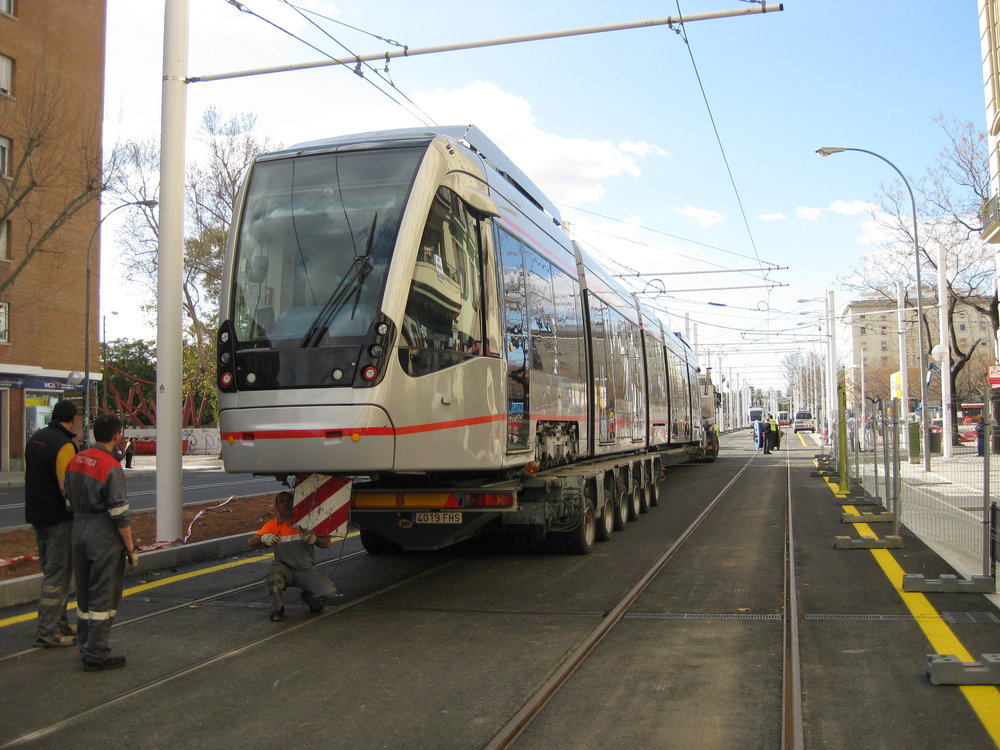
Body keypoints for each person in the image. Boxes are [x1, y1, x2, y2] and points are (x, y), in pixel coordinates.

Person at [65, 413, 137, 672]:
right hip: (102, 532)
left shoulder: (76, 460)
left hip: (79, 528)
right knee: (104, 594)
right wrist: (130, 547)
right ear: (117, 436)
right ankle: (97, 653)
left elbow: (67, 497)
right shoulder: (110, 465)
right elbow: (119, 511)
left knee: (84, 592)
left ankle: (86, 646)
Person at [24, 399, 80, 648]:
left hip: (37, 514)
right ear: (73, 419)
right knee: (58, 575)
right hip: (57, 518)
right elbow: (64, 486)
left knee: (52, 570)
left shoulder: (36, 438)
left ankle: (60, 623)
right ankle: (48, 630)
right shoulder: (64, 445)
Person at [249, 491, 338, 622]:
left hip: (306, 569)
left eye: (289, 500)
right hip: (284, 569)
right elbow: (251, 542)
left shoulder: (308, 523)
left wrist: (315, 539)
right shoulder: (273, 525)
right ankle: (278, 609)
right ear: (277, 507)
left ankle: (311, 600)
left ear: (295, 504)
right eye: (282, 501)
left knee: (328, 592)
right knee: (273, 574)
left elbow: (327, 543)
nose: (286, 503)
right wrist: (263, 538)